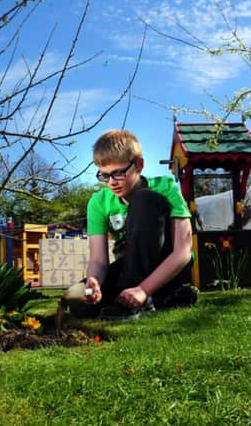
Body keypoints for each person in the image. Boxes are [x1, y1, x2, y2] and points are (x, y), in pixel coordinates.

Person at [70, 129, 197, 320]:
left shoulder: (166, 188)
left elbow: (183, 252)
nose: (111, 182)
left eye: (118, 173)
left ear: (139, 165)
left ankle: (148, 298)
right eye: (105, 175)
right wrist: (93, 281)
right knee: (78, 300)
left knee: (143, 198)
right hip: (128, 267)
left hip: (168, 266)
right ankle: (165, 298)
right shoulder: (98, 202)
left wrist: (142, 290)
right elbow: (98, 260)